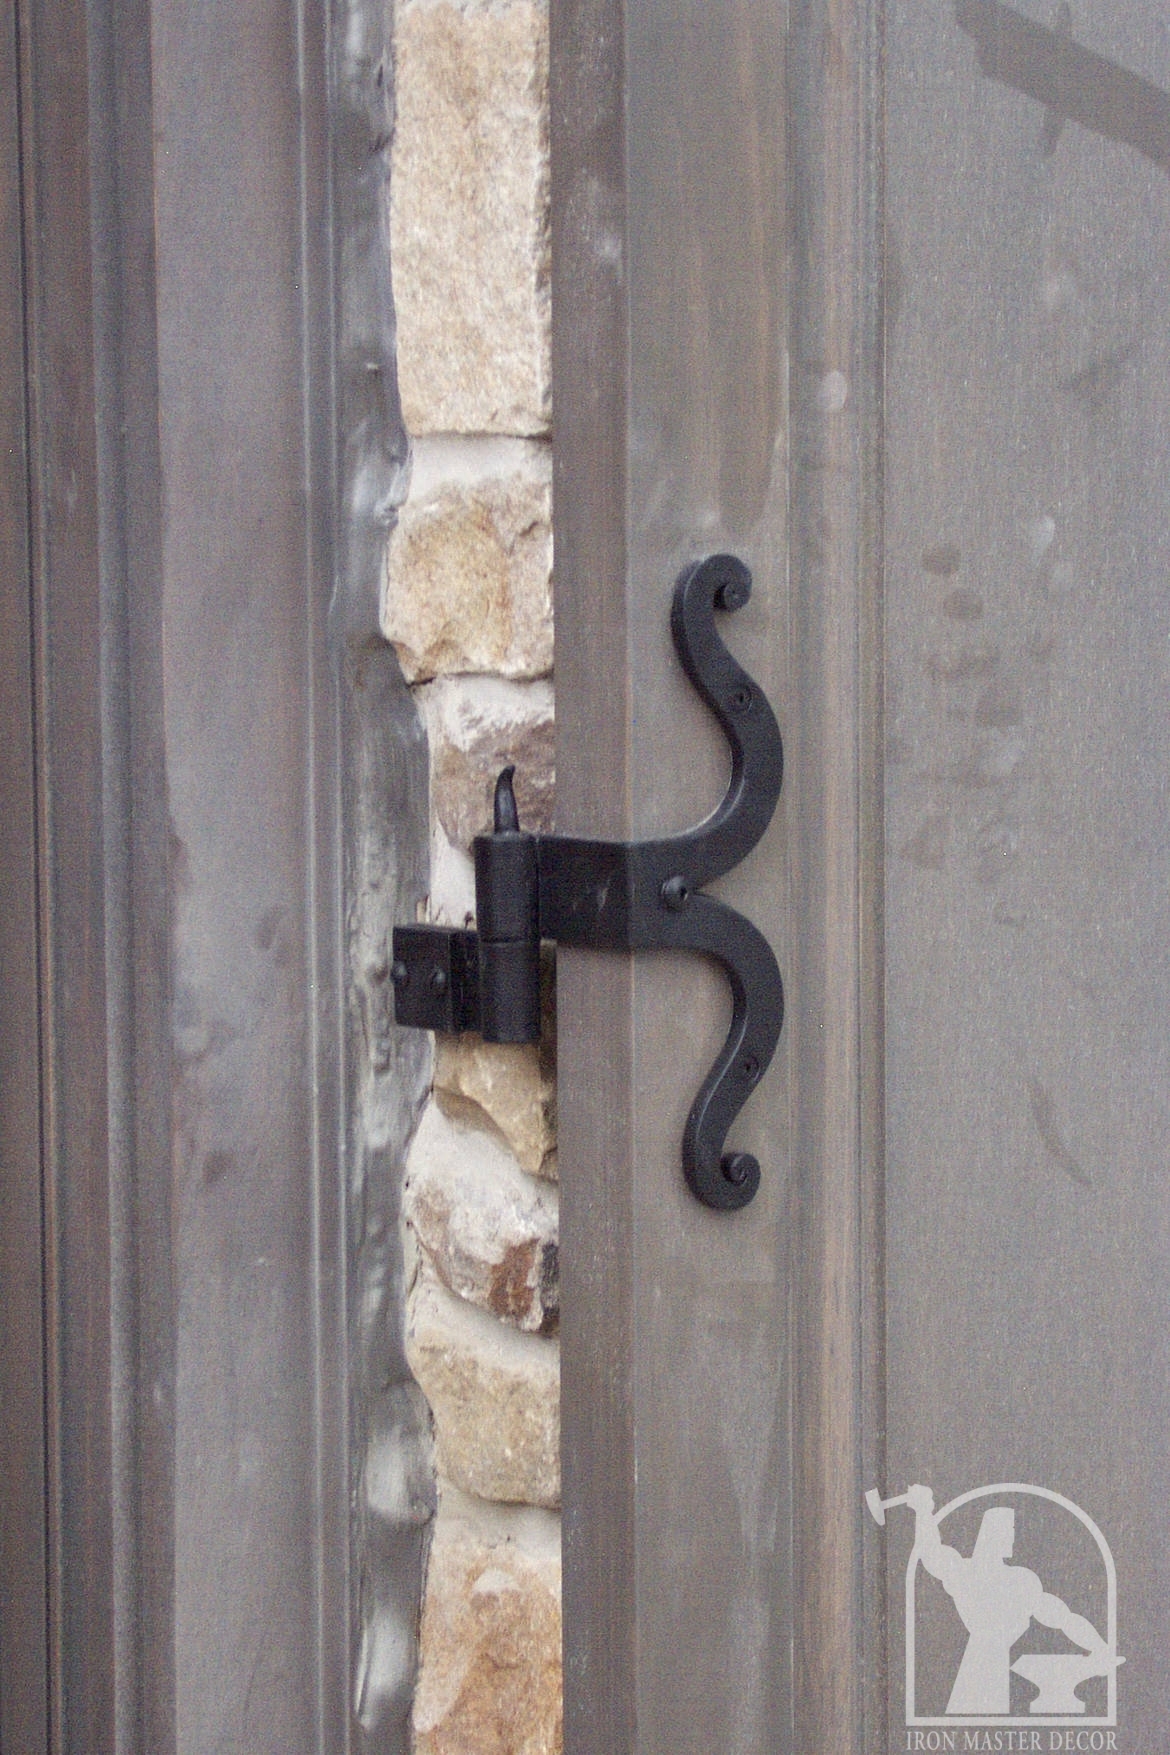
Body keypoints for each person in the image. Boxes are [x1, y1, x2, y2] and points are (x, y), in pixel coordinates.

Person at [906, 1485, 1112, 1715]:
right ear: (990, 1534)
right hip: (976, 1674)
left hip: (996, 1672)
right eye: (1007, 1531)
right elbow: (931, 1552)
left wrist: (1100, 1647)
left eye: (1012, 1531)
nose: (1011, 1539)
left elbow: (1063, 1618)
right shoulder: (965, 1572)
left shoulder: (1020, 1580)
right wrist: (923, 1510)